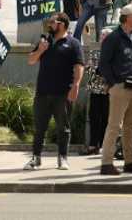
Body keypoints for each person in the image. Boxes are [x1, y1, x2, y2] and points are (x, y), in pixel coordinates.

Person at [23, 11, 84, 170]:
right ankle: (36, 158)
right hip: (43, 92)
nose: (49, 25)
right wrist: (40, 50)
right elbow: (30, 60)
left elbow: (79, 66)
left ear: (61, 24)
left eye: (52, 22)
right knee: (39, 128)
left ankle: (63, 158)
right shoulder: (45, 41)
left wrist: (76, 85)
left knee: (63, 128)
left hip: (63, 93)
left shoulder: (73, 43)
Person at [99, 3, 132, 175]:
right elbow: (103, 64)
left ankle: (130, 161)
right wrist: (114, 83)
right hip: (121, 87)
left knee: (130, 126)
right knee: (114, 126)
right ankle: (106, 163)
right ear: (127, 17)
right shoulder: (113, 38)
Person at [82, 30, 110, 155]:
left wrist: (100, 70)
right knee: (94, 117)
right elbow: (89, 70)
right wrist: (97, 69)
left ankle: (104, 144)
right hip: (95, 89)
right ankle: (93, 145)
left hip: (107, 90)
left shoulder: (112, 52)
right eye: (102, 36)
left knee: (106, 118)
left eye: (106, 36)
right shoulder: (94, 52)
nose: (103, 38)